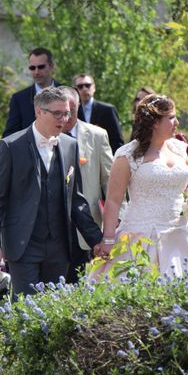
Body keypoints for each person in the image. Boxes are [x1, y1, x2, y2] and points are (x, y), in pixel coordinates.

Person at [0, 87, 103, 295]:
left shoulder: (70, 146)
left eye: (66, 113)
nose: (63, 119)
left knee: (53, 311)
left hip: (59, 246)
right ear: (39, 111)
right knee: (25, 310)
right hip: (23, 244)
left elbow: (76, 200)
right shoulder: (10, 146)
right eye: (57, 113)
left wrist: (97, 240)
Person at [95, 94, 188, 277]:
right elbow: (114, 201)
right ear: (155, 122)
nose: (177, 122)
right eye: (171, 117)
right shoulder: (127, 155)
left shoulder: (180, 148)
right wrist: (108, 239)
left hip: (180, 233)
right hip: (140, 234)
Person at [59, 86, 115, 280]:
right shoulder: (44, 136)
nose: (65, 117)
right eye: (61, 112)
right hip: (52, 228)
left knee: (83, 281)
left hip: (87, 225)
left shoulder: (97, 135)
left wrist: (119, 219)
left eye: (71, 112)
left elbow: (110, 181)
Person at [3, 47, 62, 137]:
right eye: (32, 68)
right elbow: (10, 134)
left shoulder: (68, 93)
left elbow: (80, 129)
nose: (36, 72)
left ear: (51, 66)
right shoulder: (19, 99)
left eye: (41, 67)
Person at [73, 73, 124, 154]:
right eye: (80, 86)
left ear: (94, 87)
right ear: (75, 90)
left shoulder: (108, 110)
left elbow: (117, 141)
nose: (84, 89)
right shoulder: (72, 112)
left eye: (88, 85)